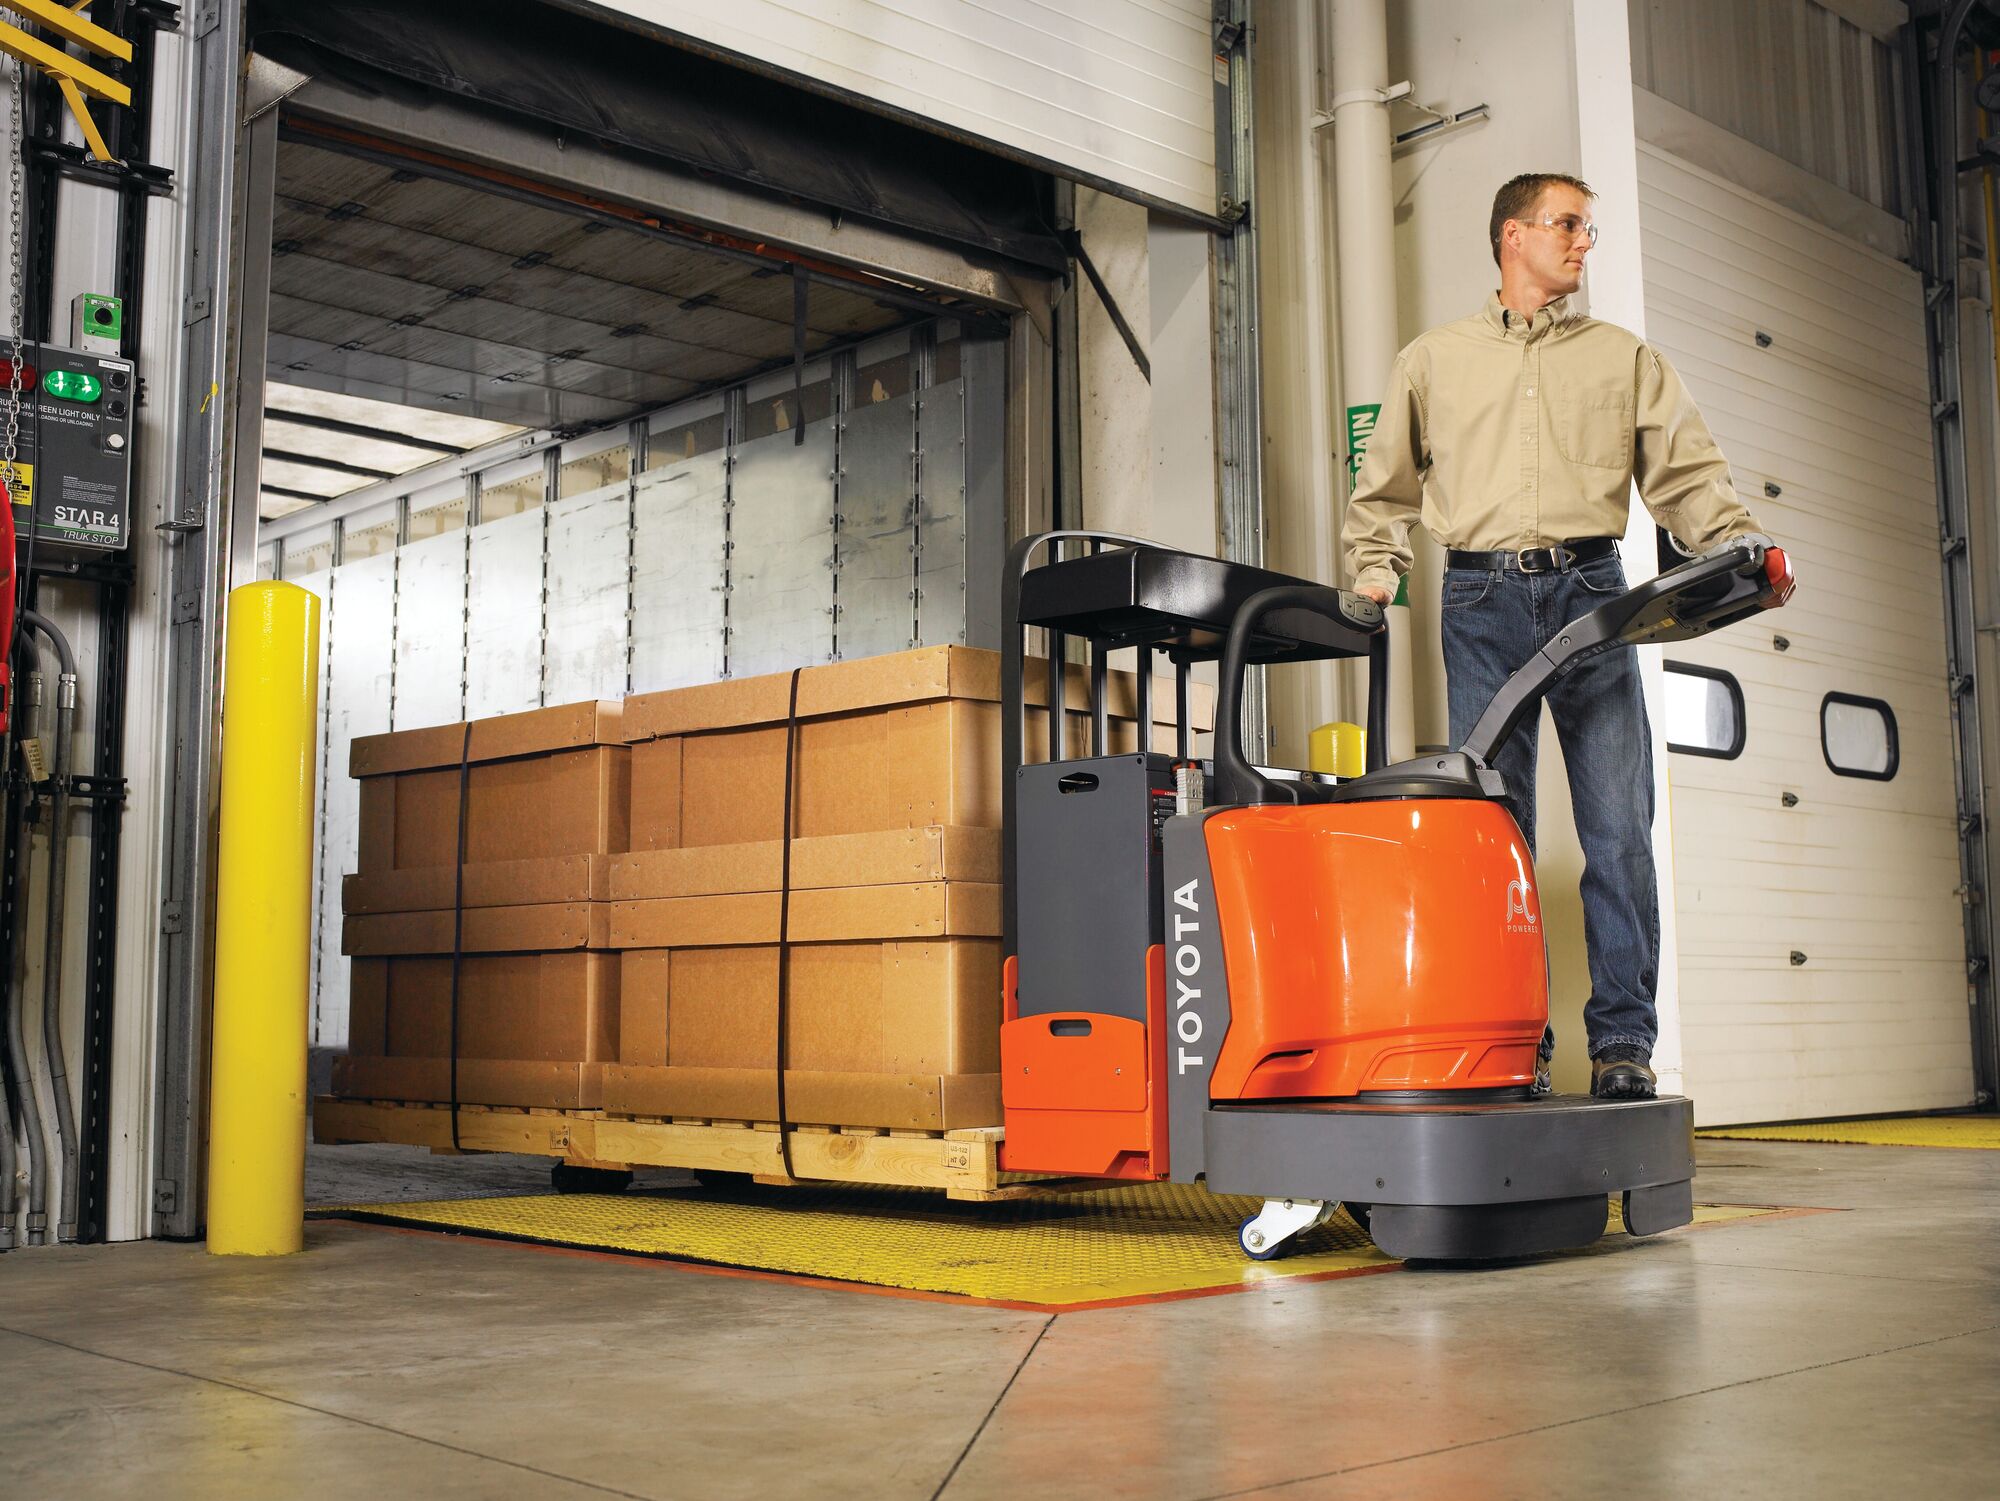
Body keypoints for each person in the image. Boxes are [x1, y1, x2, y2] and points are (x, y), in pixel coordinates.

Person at [1342, 171, 1769, 1101]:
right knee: (1497, 838)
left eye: (1588, 227)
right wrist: (1374, 567)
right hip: (1480, 603)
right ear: (1512, 236)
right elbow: (1382, 491)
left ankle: (1622, 1045)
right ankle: (1509, 1044)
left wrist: (1736, 546)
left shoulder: (1623, 359)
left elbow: (1687, 474)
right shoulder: (1432, 360)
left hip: (1595, 597)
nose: (1585, 242)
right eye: (1569, 224)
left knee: (1618, 830)